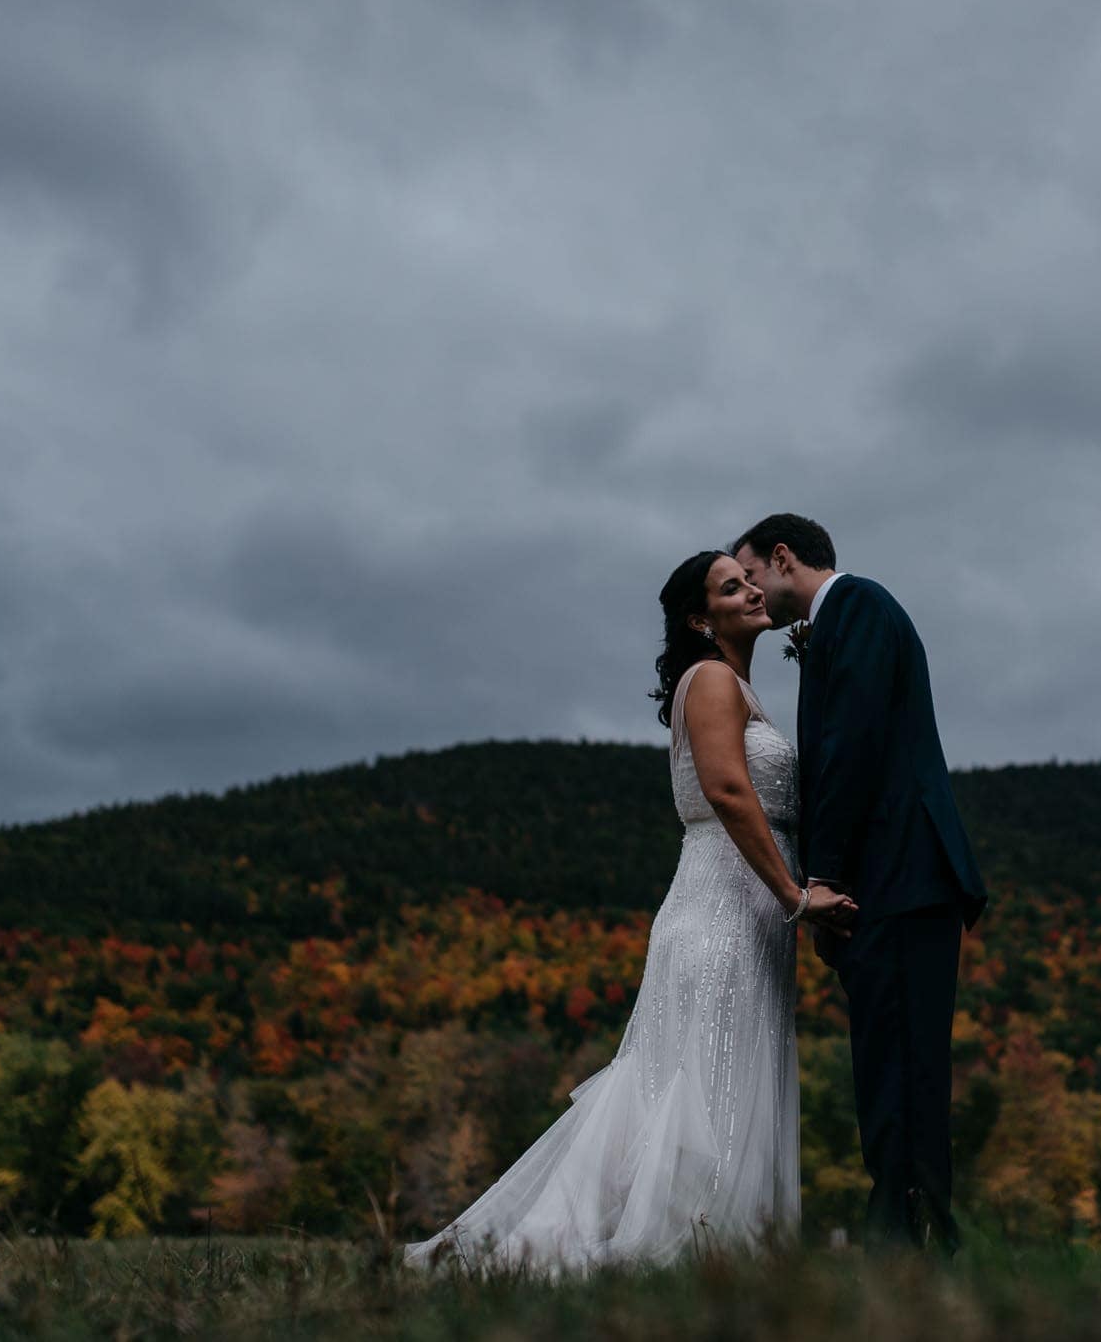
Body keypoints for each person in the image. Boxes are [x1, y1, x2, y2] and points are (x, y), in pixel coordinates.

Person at [405, 550, 856, 1274]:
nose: (749, 590)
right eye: (730, 585)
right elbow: (729, 794)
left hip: (747, 910)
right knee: (699, 1076)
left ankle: (715, 1244)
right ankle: (672, 1244)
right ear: (699, 617)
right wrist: (796, 897)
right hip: (720, 908)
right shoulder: (710, 679)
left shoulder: (735, 685)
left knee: (717, 1072)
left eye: (748, 580)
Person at [733, 513, 989, 1254]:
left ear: (784, 557)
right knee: (887, 1061)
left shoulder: (862, 607)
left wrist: (821, 882)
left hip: (902, 879)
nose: (753, 595)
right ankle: (908, 1232)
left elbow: (850, 749)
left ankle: (911, 1236)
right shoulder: (842, 620)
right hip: (887, 885)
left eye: (752, 575)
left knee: (904, 1066)